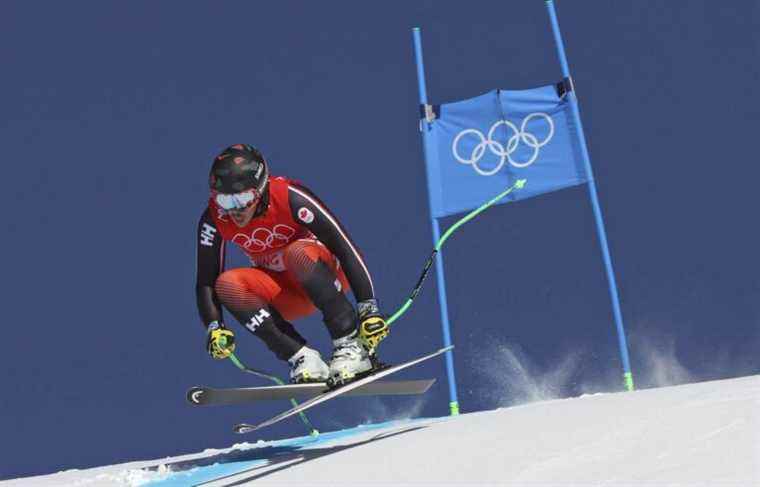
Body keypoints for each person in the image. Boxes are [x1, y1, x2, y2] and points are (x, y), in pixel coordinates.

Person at [195, 144, 389, 385]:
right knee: (227, 284)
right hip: (286, 293)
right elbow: (206, 280)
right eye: (225, 200)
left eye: (243, 198)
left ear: (260, 188)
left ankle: (351, 345)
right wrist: (214, 327)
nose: (235, 209)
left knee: (296, 252)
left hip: (324, 273)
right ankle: (302, 357)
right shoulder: (215, 218)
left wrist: (368, 309)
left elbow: (345, 248)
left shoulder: (289, 196)